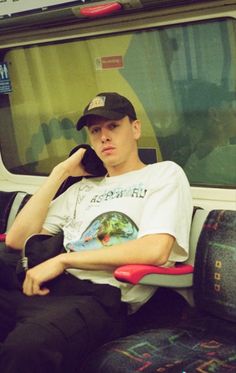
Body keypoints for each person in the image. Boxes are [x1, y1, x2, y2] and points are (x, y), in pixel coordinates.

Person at [1, 92, 193, 373]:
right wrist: (61, 173)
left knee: (27, 347)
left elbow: (155, 249)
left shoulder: (163, 175)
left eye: (113, 126)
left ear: (136, 129)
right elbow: (17, 239)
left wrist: (63, 260)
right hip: (48, 289)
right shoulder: (82, 189)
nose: (104, 137)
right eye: (95, 131)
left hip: (101, 296)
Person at [183, 80, 236, 185]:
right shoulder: (220, 158)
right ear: (215, 114)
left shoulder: (197, 157)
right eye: (229, 106)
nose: (234, 112)